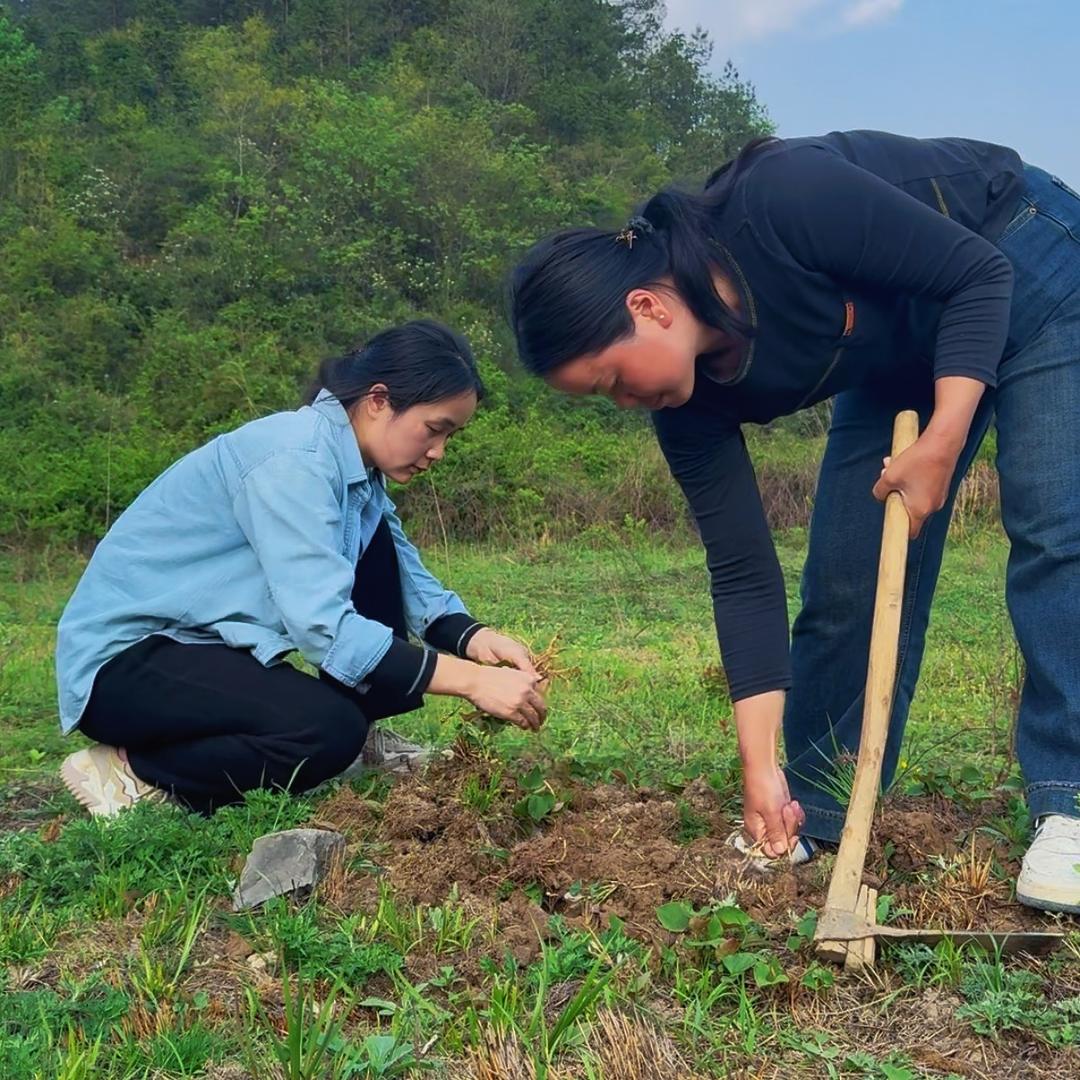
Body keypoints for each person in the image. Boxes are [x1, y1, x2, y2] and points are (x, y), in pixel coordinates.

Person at [508, 130, 1080, 914]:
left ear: (646, 307)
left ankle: (1071, 804)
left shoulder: (780, 201)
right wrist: (759, 766)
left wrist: (945, 439)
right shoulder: (687, 410)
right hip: (899, 347)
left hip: (1022, 261)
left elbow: (977, 276)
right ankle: (814, 803)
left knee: (1057, 535)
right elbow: (743, 573)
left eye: (612, 379)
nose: (623, 403)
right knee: (846, 575)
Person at [57, 320, 547, 817]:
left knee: (374, 551)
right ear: (378, 400)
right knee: (324, 730)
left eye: (450, 436)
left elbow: (409, 584)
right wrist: (472, 682)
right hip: (126, 666)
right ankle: (134, 769)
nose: (438, 452)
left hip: (197, 652)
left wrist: (476, 639)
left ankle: (364, 741)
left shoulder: (358, 477)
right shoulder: (293, 458)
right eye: (434, 429)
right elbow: (324, 630)